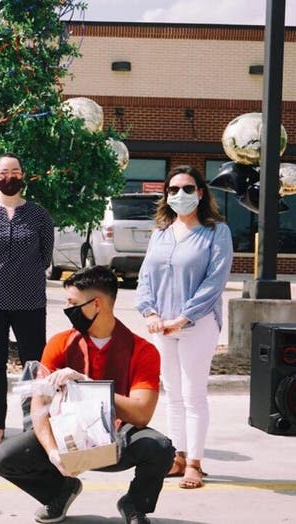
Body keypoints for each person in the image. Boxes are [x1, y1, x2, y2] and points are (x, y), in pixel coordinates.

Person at [0, 266, 174, 524]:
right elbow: (39, 405)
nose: (67, 308)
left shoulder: (142, 350)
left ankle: (135, 503)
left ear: (96, 304)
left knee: (161, 448)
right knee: (3, 458)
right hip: (66, 436)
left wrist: (89, 386)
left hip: (115, 436)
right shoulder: (60, 343)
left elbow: (142, 413)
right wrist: (53, 452)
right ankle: (59, 491)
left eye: (72, 302)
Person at [135, 165, 233, 490]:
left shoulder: (217, 232)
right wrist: (149, 312)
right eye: (173, 189)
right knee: (172, 395)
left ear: (201, 193)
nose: (180, 195)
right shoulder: (161, 233)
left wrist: (185, 316)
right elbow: (145, 277)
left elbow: (215, 281)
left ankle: (195, 463)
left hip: (197, 324)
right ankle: (176, 456)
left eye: (188, 189)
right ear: (166, 195)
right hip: (161, 326)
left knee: (193, 395)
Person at [0, 153, 54, 445]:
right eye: (4, 172)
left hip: (29, 300)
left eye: (15, 171)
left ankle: (33, 424)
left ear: (23, 176)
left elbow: (45, 256)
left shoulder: (39, 215)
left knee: (33, 363)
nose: (10, 177)